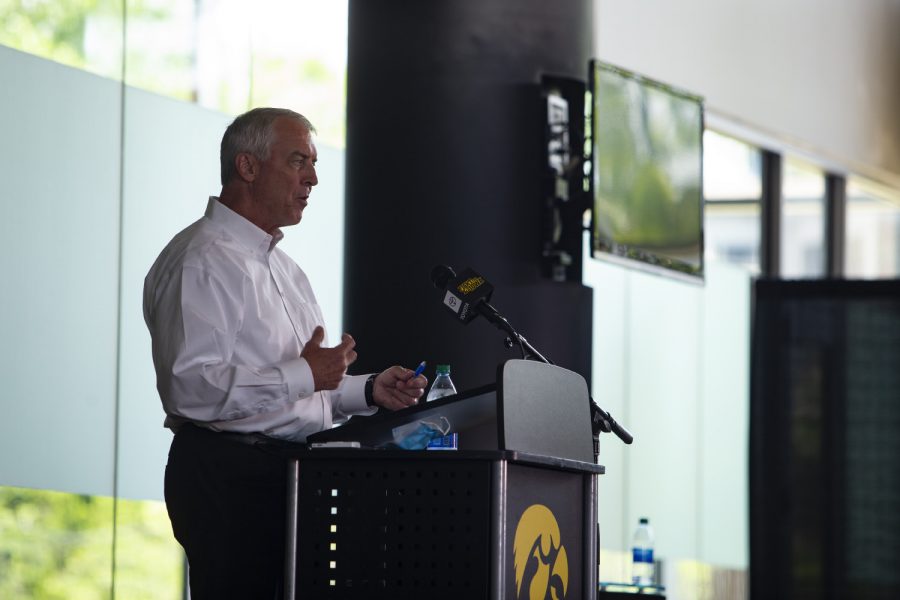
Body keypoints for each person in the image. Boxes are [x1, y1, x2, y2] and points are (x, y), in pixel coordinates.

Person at [143, 107, 427, 599]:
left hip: (294, 475)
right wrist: (304, 373)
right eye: (299, 162)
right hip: (229, 478)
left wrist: (368, 389)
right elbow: (191, 389)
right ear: (247, 167)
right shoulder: (201, 260)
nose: (313, 178)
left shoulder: (288, 270)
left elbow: (302, 387)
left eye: (313, 164)